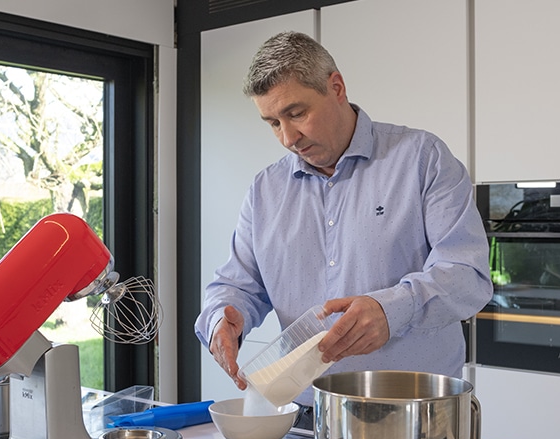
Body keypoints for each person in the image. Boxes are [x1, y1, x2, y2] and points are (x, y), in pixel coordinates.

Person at [194, 31, 493, 407]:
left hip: (414, 411)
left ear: (336, 87)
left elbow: (468, 275)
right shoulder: (264, 189)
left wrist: (391, 310)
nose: (288, 138)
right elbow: (238, 284)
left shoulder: (422, 159)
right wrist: (223, 318)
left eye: (296, 113)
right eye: (272, 122)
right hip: (304, 416)